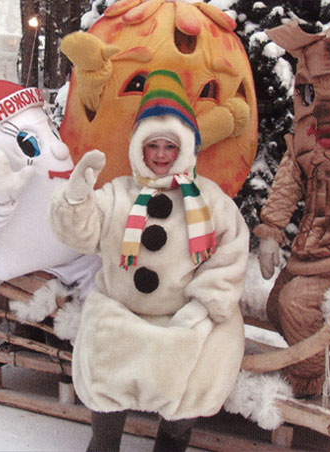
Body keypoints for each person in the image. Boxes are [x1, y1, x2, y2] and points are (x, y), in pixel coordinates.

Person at [48, 69, 249, 452]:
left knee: (202, 367)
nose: (160, 155)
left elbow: (230, 255)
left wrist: (202, 308)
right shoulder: (118, 194)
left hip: (185, 316)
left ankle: (171, 443)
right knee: (105, 357)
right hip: (122, 311)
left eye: (169, 147)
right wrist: (76, 200)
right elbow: (81, 234)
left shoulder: (210, 200)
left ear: (185, 149)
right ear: (138, 148)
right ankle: (103, 443)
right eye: (152, 145)